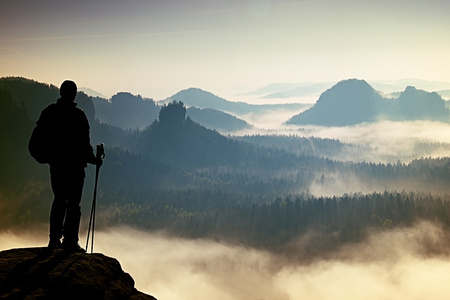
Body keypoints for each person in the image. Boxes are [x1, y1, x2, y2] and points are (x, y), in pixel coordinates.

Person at [35, 80, 102, 252]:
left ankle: (54, 240)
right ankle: (70, 241)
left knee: (59, 200)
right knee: (74, 203)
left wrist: (48, 157)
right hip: (75, 168)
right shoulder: (79, 116)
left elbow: (37, 139)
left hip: (56, 166)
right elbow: (84, 145)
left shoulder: (49, 112)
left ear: (60, 92)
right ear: (74, 94)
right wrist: (95, 160)